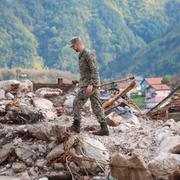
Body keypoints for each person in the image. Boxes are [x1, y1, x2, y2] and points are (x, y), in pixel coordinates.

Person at [69, 37, 109, 136]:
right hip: (88, 83)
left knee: (77, 102)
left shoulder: (87, 54)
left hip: (89, 85)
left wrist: (91, 84)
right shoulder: (82, 55)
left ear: (78, 44)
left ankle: (76, 126)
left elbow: (94, 70)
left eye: (73, 46)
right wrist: (79, 81)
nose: (73, 48)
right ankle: (104, 128)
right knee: (96, 106)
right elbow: (86, 72)